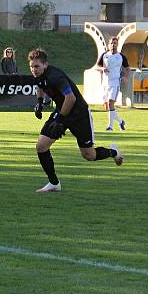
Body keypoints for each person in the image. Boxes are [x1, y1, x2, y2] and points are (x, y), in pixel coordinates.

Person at [30, 49, 124, 193]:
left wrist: (60, 120)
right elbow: (40, 86)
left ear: (45, 65)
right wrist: (40, 102)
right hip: (62, 110)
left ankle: (113, 152)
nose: (34, 70)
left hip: (79, 114)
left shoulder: (56, 76)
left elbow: (71, 98)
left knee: (89, 155)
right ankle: (54, 183)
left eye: (37, 66)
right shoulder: (38, 75)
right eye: (32, 66)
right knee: (41, 146)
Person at [95, 37, 129, 131]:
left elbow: (127, 68)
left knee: (111, 102)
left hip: (115, 83)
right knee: (108, 106)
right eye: (111, 43)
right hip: (105, 83)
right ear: (108, 44)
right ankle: (121, 122)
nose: (113, 45)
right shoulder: (105, 55)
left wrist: (125, 77)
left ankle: (110, 126)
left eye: (115, 43)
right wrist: (102, 69)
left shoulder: (121, 56)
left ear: (117, 44)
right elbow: (97, 66)